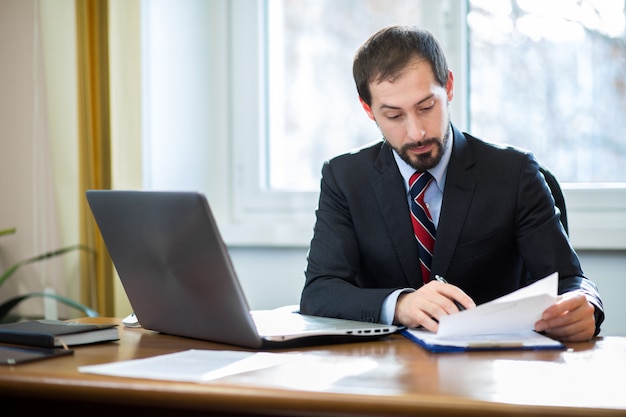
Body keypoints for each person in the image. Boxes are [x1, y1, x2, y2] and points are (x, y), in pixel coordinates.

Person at [299, 25, 604, 342]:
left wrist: (586, 308)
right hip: (387, 373)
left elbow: (569, 281)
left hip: (497, 370)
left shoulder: (514, 174)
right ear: (369, 110)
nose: (416, 132)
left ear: (448, 87)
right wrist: (401, 304)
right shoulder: (345, 178)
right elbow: (320, 291)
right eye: (394, 116)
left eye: (426, 107)